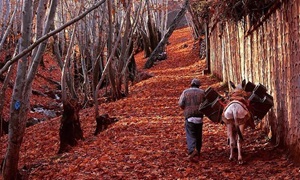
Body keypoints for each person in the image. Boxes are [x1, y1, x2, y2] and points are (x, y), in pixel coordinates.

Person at [178, 78, 205, 162]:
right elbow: (206, 104)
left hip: (189, 117)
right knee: (198, 134)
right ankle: (198, 150)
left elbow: (181, 104)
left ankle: (192, 150)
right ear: (198, 85)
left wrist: (186, 109)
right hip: (199, 117)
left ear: (191, 84)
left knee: (190, 134)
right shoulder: (202, 92)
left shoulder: (185, 92)